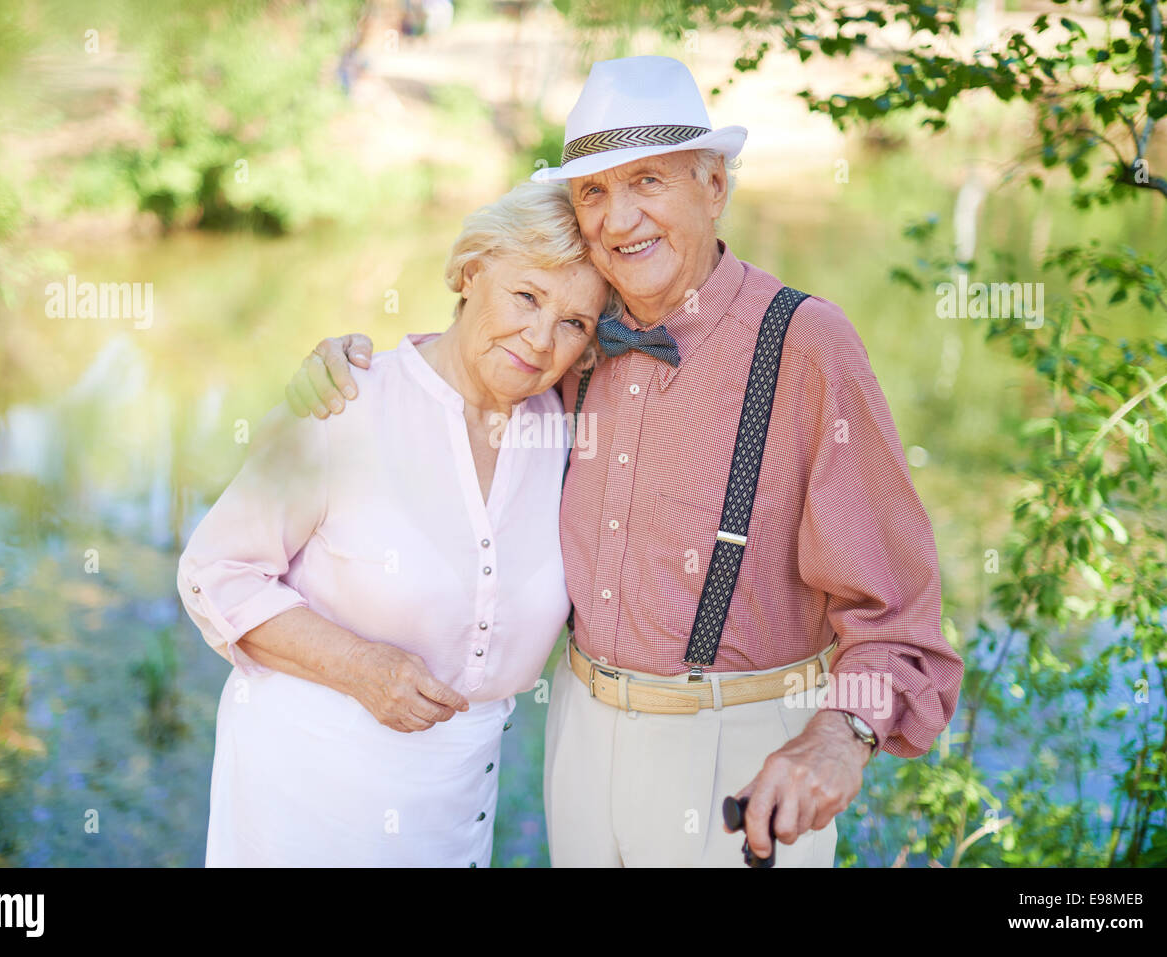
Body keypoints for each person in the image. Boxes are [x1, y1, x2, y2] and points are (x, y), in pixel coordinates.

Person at [285, 56, 964, 867]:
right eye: (594, 192)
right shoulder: (572, 336)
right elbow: (460, 368)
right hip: (577, 739)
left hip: (739, 758)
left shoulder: (808, 345)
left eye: (648, 180)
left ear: (714, 185)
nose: (618, 218)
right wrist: (348, 370)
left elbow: (900, 623)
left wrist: (842, 735)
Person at [178, 181, 614, 866]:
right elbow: (213, 573)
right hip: (305, 801)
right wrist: (358, 665)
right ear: (471, 271)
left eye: (574, 323)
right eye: (526, 296)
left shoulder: (562, 432)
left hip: (456, 813)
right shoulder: (346, 402)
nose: (539, 337)